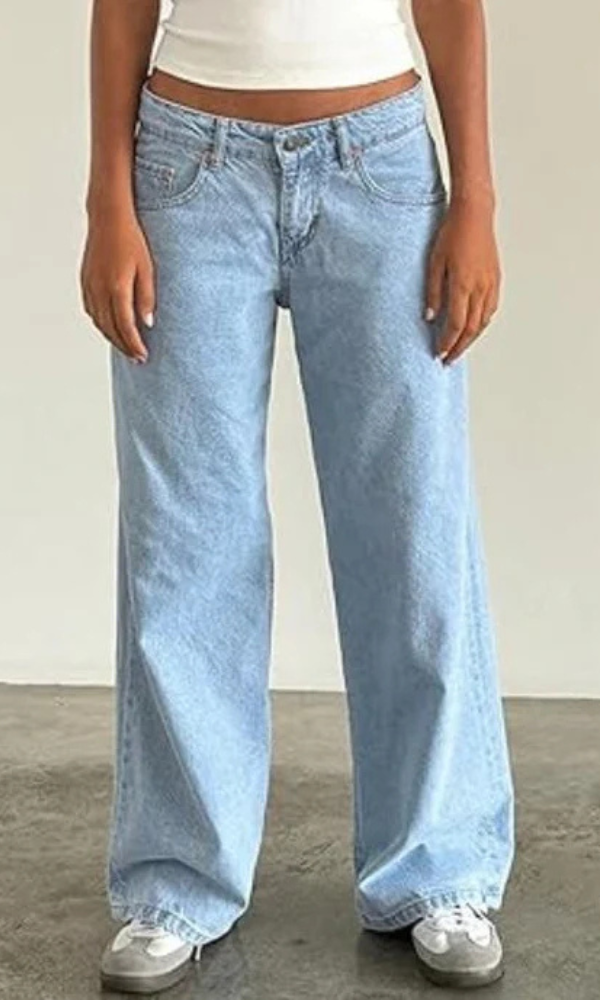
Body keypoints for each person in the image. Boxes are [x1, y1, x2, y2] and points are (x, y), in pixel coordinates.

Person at [80, 0, 515, 992]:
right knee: (185, 540)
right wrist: (108, 199)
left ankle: (439, 866)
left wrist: (476, 202)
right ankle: (175, 882)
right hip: (187, 173)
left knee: (413, 530)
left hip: (382, 169)